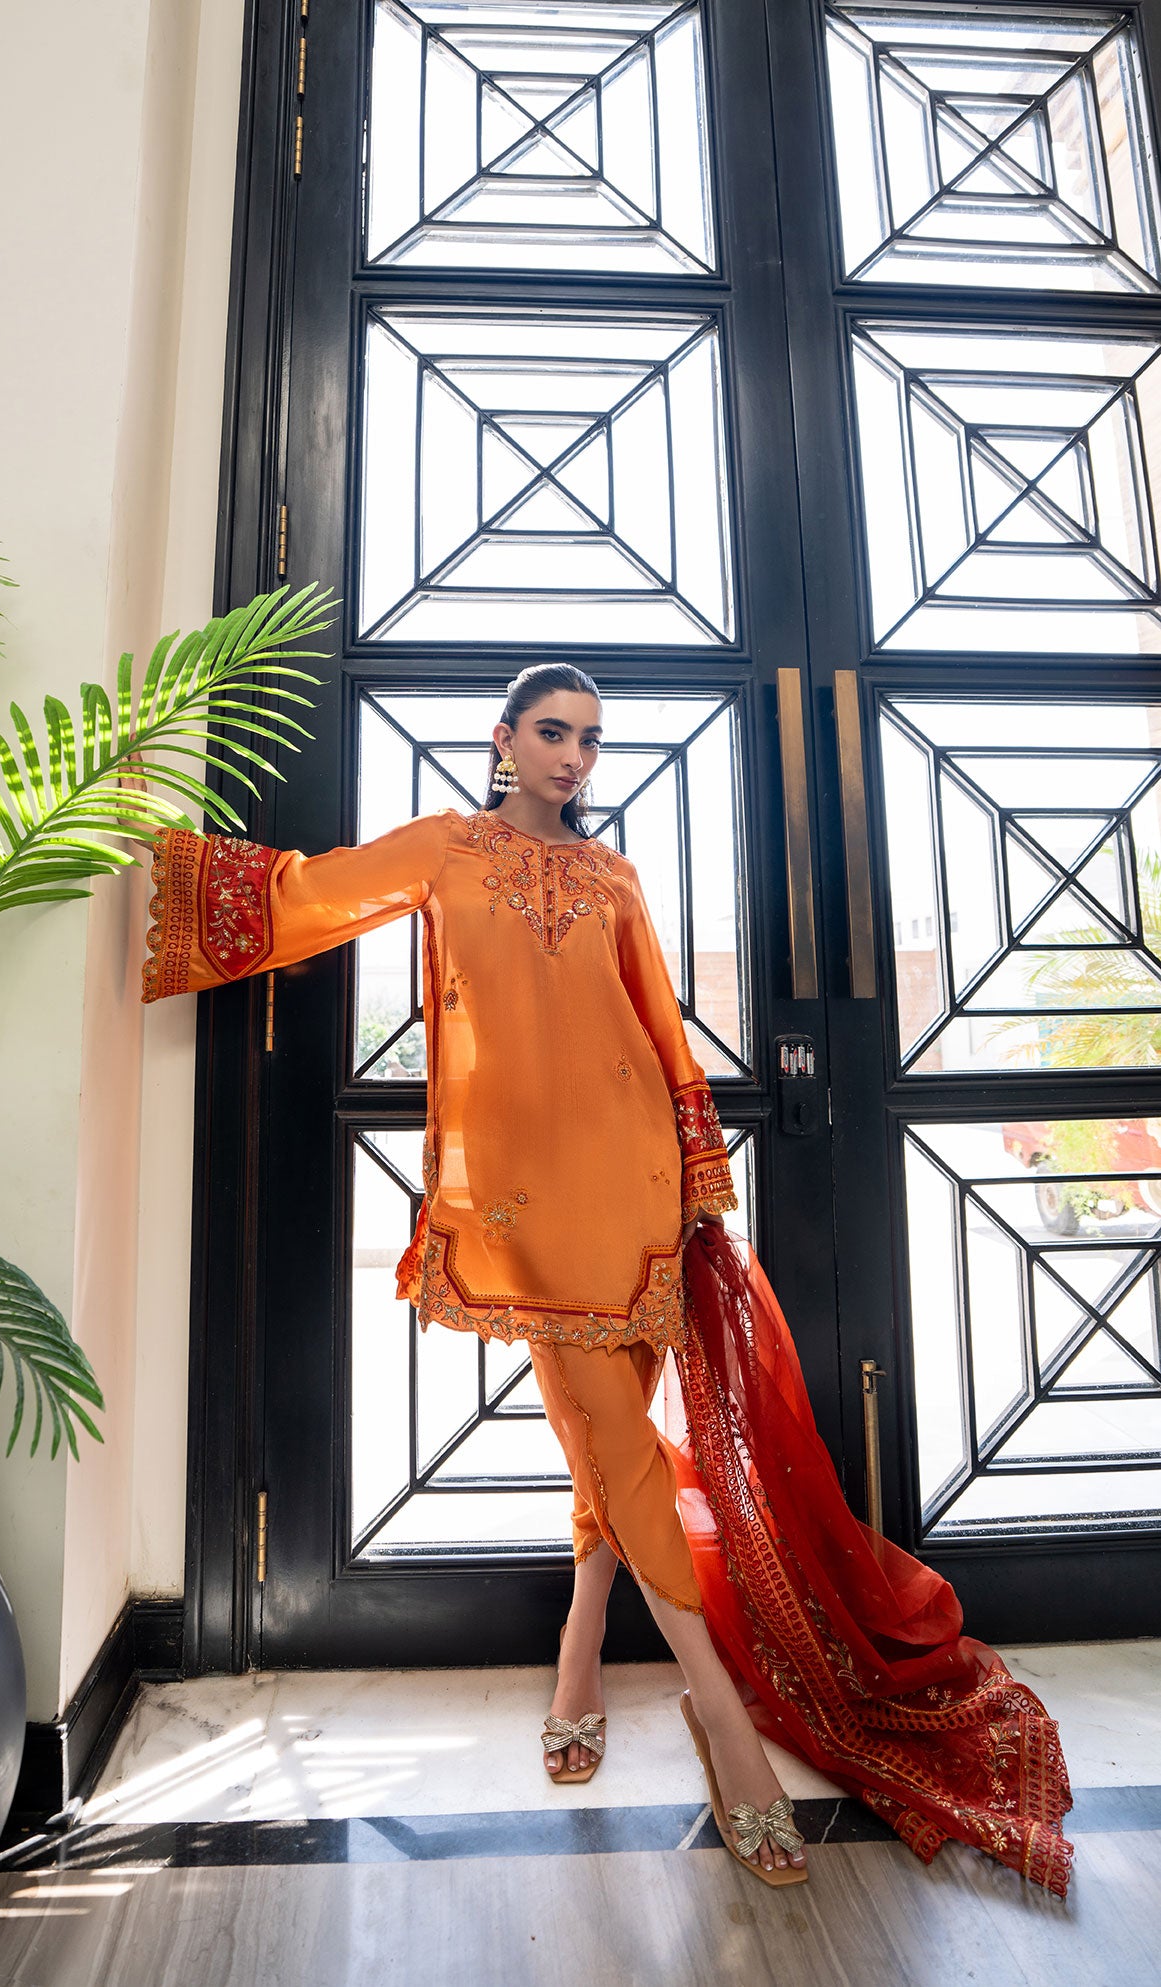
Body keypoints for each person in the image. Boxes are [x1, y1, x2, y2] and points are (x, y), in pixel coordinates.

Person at [141, 663, 1073, 1895]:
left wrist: (694, 1181)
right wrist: (155, 859)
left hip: (634, 1187)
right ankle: (720, 1716)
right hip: (522, 1205)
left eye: (589, 738)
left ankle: (580, 1646)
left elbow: (660, 1029)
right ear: (503, 738)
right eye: (552, 732)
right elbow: (311, 894)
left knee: (607, 1432)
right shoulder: (445, 849)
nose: (573, 756)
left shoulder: (615, 877)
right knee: (617, 1441)